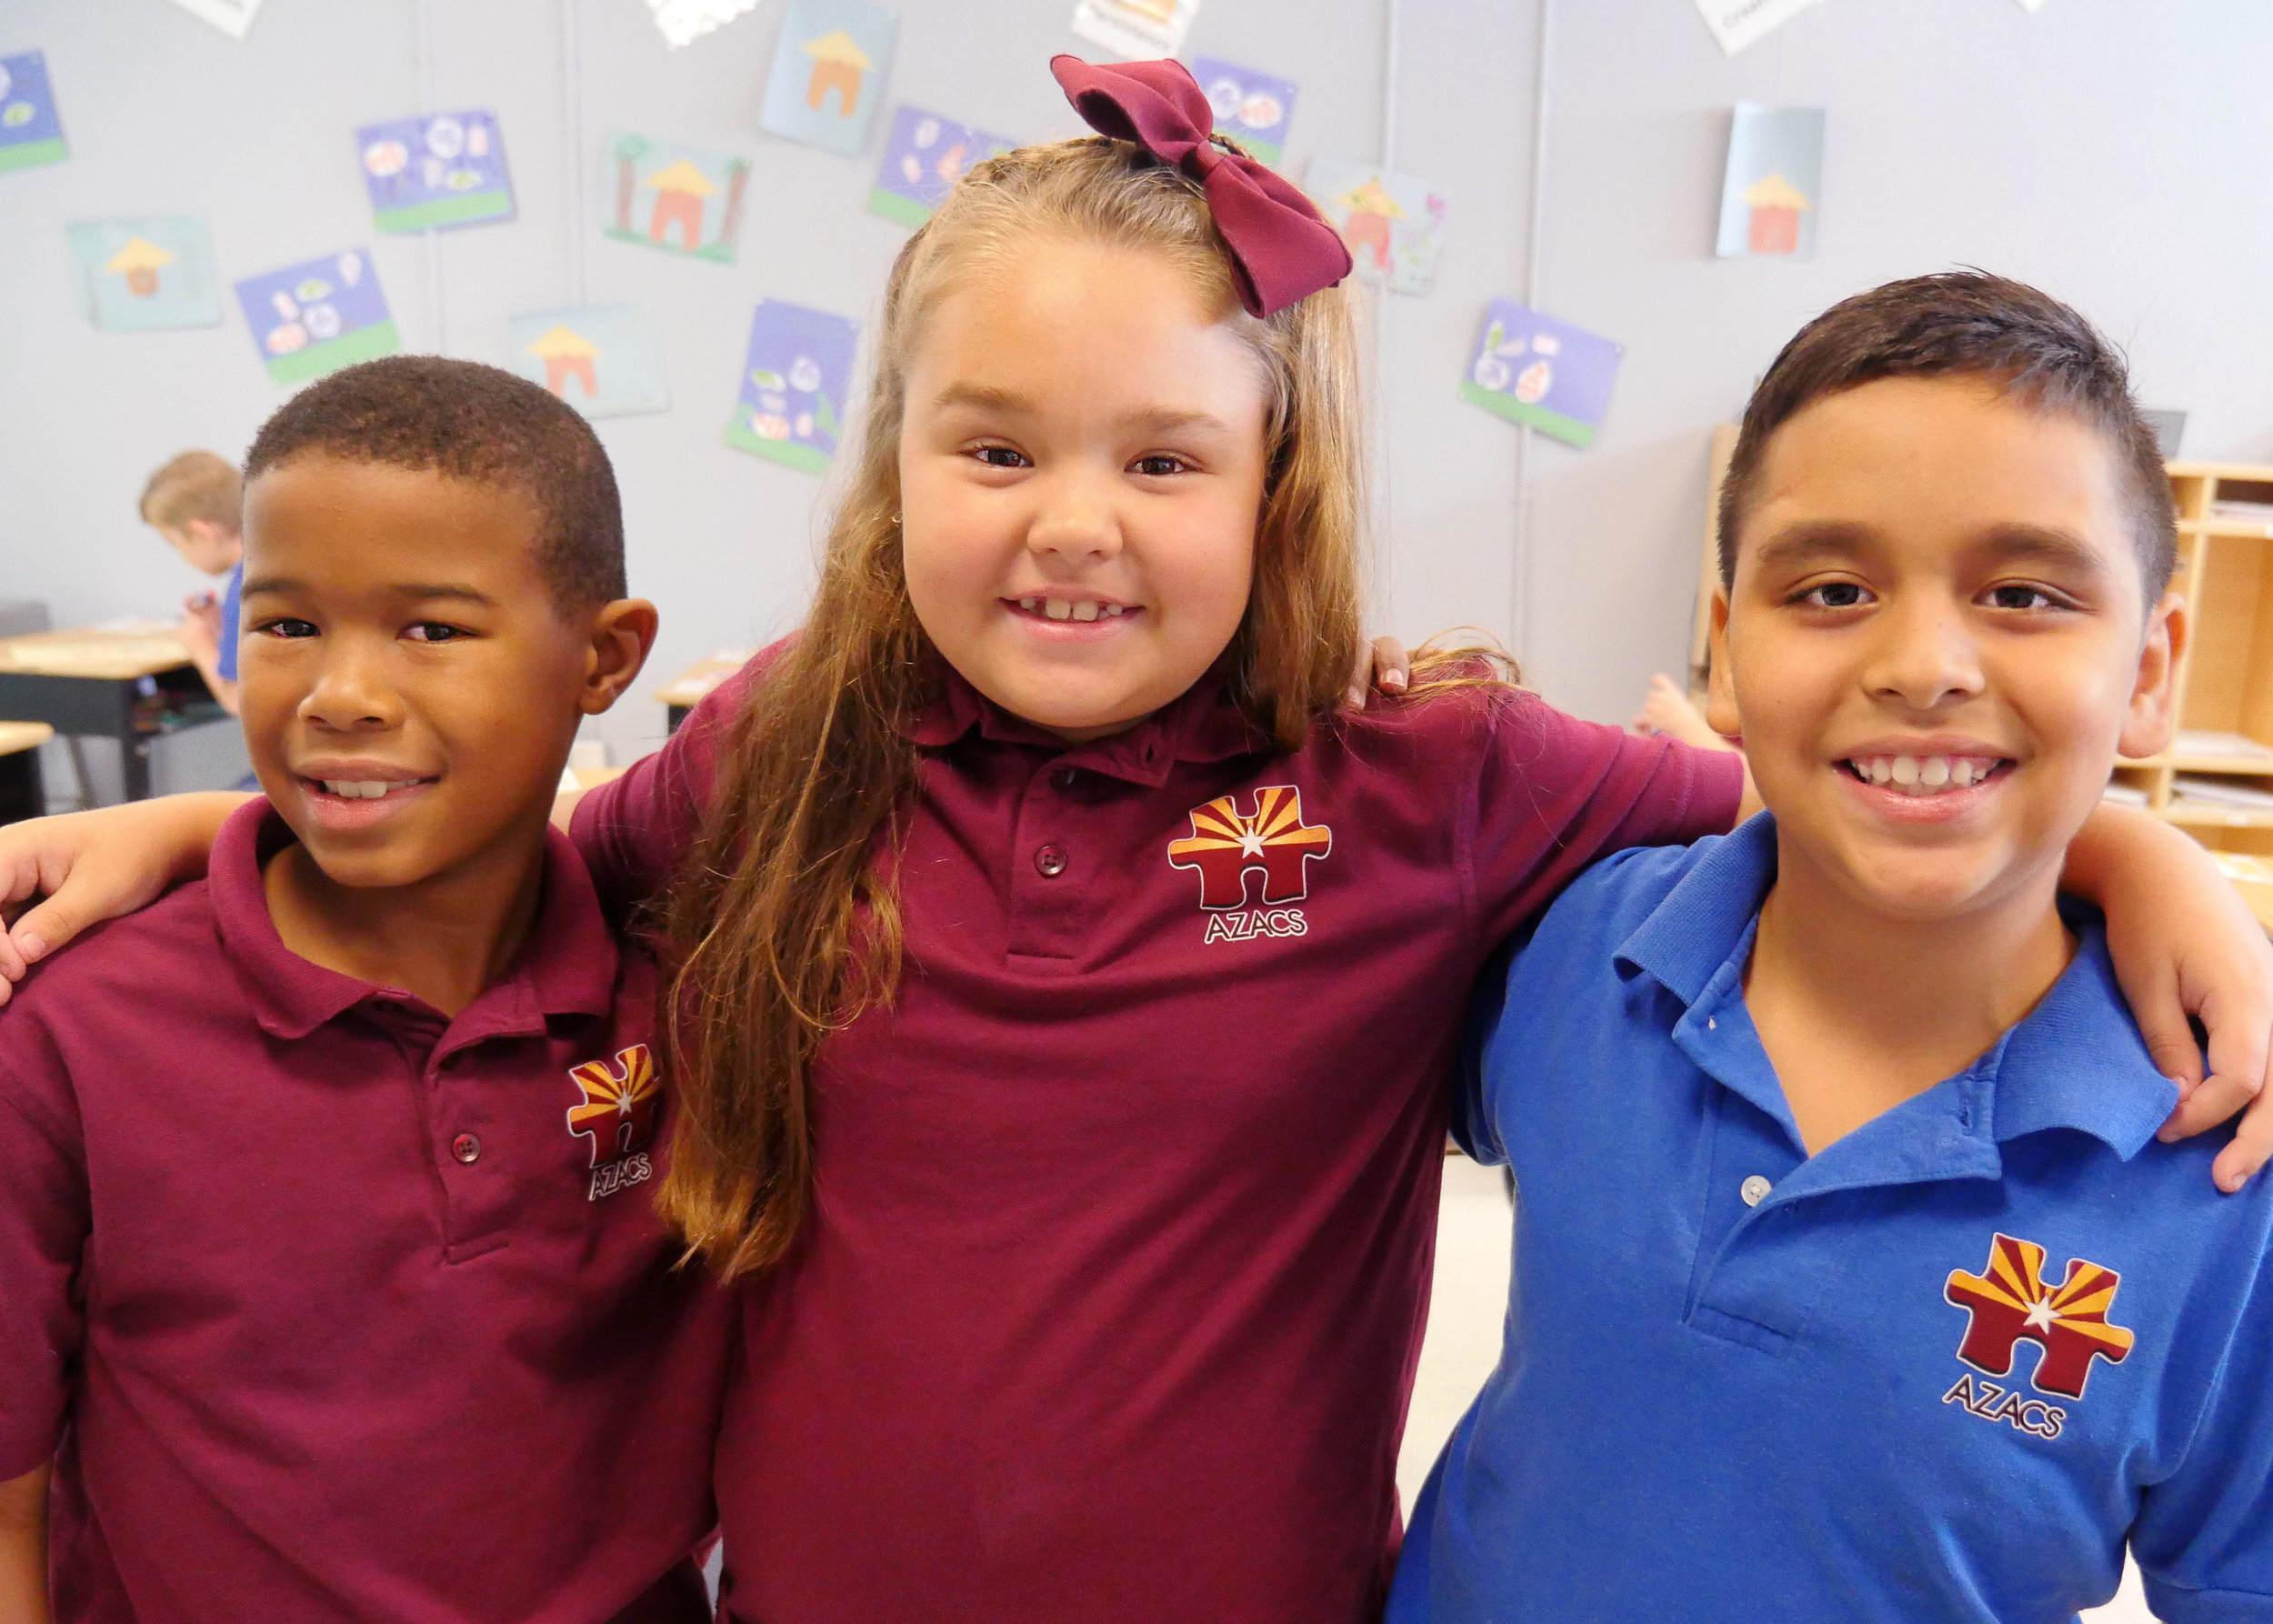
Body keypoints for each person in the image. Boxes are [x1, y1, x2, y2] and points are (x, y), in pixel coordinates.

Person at [0, 66, 2266, 1624]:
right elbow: (558, 857)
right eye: (996, 450)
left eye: (1166, 463)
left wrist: (2141, 870)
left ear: (1274, 489)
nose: (1074, 530)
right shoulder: (792, 740)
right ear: (901, 473)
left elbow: (1843, 811)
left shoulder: (1437, 775)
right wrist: (224, 807)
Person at [1390, 273, 2273, 1623]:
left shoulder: (2230, 1167)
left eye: (2026, 593)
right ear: (1730, 650)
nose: (1925, 663)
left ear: (2150, 672)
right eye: (1836, 587)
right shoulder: (1583, 949)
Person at [0, 358, 730, 1623]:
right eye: (285, 625)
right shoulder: (74, 1028)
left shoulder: (688, 995)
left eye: (431, 629)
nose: (340, 695)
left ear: (605, 659)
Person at [138, 450, 245, 717]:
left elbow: (240, 702)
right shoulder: (279, 562)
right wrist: (223, 629)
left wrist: (201, 647)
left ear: (200, 533)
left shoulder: (245, 587)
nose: (182, 556)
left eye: (176, 544)